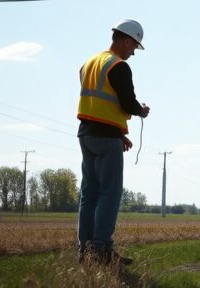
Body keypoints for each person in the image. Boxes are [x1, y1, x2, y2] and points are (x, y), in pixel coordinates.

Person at [76, 19, 150, 265]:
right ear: (126, 40)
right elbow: (127, 103)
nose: (133, 53)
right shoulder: (118, 66)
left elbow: (99, 104)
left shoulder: (89, 63)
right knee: (110, 193)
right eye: (134, 47)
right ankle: (102, 250)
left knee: (89, 193)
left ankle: (85, 250)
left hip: (86, 134)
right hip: (106, 139)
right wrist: (141, 111)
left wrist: (120, 133)